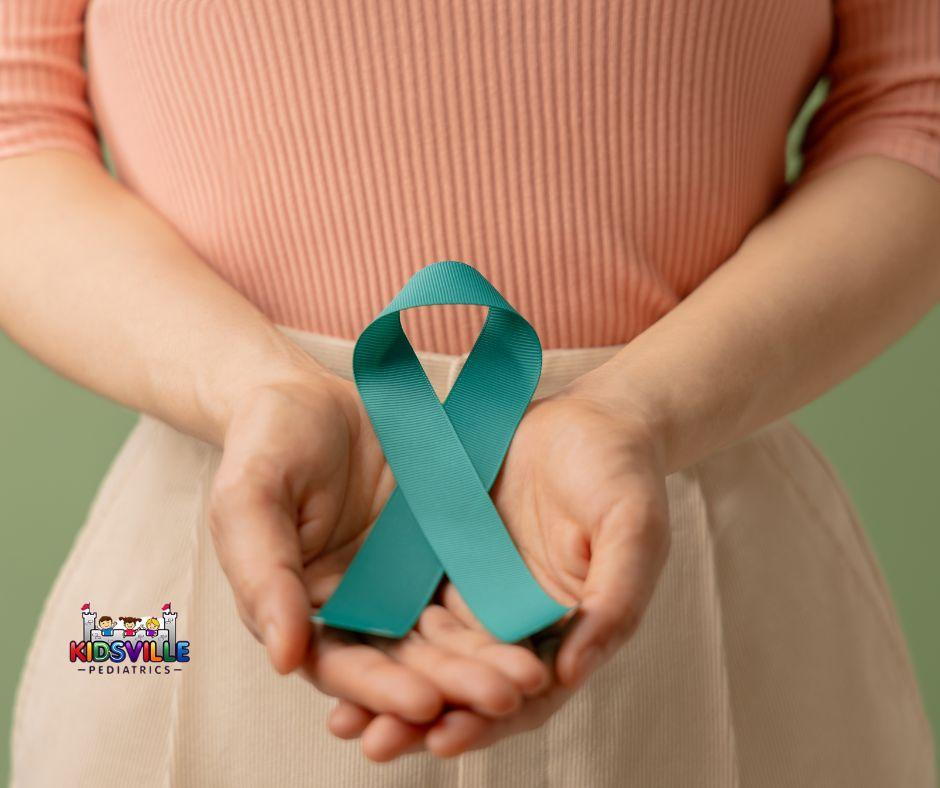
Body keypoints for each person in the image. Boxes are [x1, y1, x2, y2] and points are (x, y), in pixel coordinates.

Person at [2, 1, 938, 786]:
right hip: (192, 557)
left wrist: (639, 411)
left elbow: (913, 105)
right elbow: (15, 116)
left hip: (698, 542)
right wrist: (248, 388)